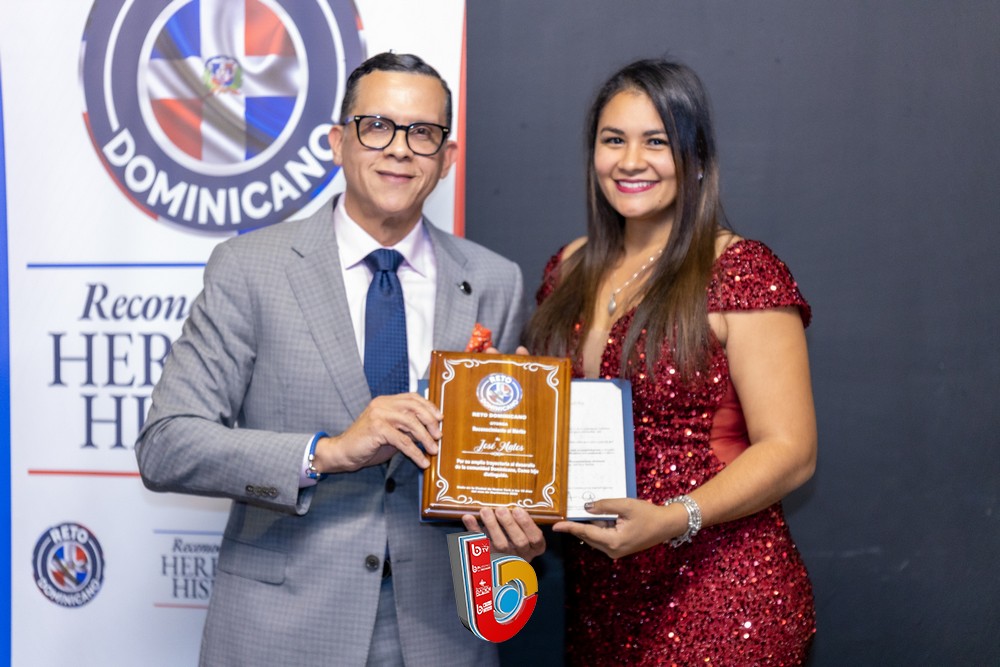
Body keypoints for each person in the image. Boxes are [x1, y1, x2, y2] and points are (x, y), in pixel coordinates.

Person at [136, 52, 543, 667]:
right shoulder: (251, 268)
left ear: (447, 158)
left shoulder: (494, 280)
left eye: (422, 133)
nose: (399, 149)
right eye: (376, 126)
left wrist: (517, 507)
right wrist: (326, 452)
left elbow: (491, 472)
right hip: (283, 630)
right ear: (336, 142)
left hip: (440, 632)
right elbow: (167, 445)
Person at [525, 59, 818, 665]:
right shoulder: (567, 268)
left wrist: (673, 519)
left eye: (656, 141)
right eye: (614, 140)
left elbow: (791, 451)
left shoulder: (739, 269)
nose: (631, 161)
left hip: (722, 589)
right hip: (599, 593)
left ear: (696, 158)